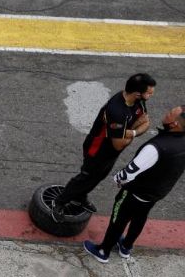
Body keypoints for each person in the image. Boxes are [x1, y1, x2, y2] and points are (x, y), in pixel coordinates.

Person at [83, 105, 185, 263]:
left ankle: (103, 250)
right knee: (140, 217)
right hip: (156, 193)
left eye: (171, 113)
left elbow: (130, 171)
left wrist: (118, 179)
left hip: (135, 193)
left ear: (175, 124)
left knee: (118, 219)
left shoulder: (156, 148)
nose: (167, 113)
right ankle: (126, 246)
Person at [52, 73, 156, 221]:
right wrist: (134, 132)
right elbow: (119, 144)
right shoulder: (117, 111)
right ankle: (59, 202)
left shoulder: (138, 102)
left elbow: (146, 122)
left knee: (99, 177)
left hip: (110, 153)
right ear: (137, 93)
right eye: (149, 93)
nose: (151, 95)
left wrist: (129, 133)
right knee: (85, 178)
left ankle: (80, 197)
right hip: (97, 150)